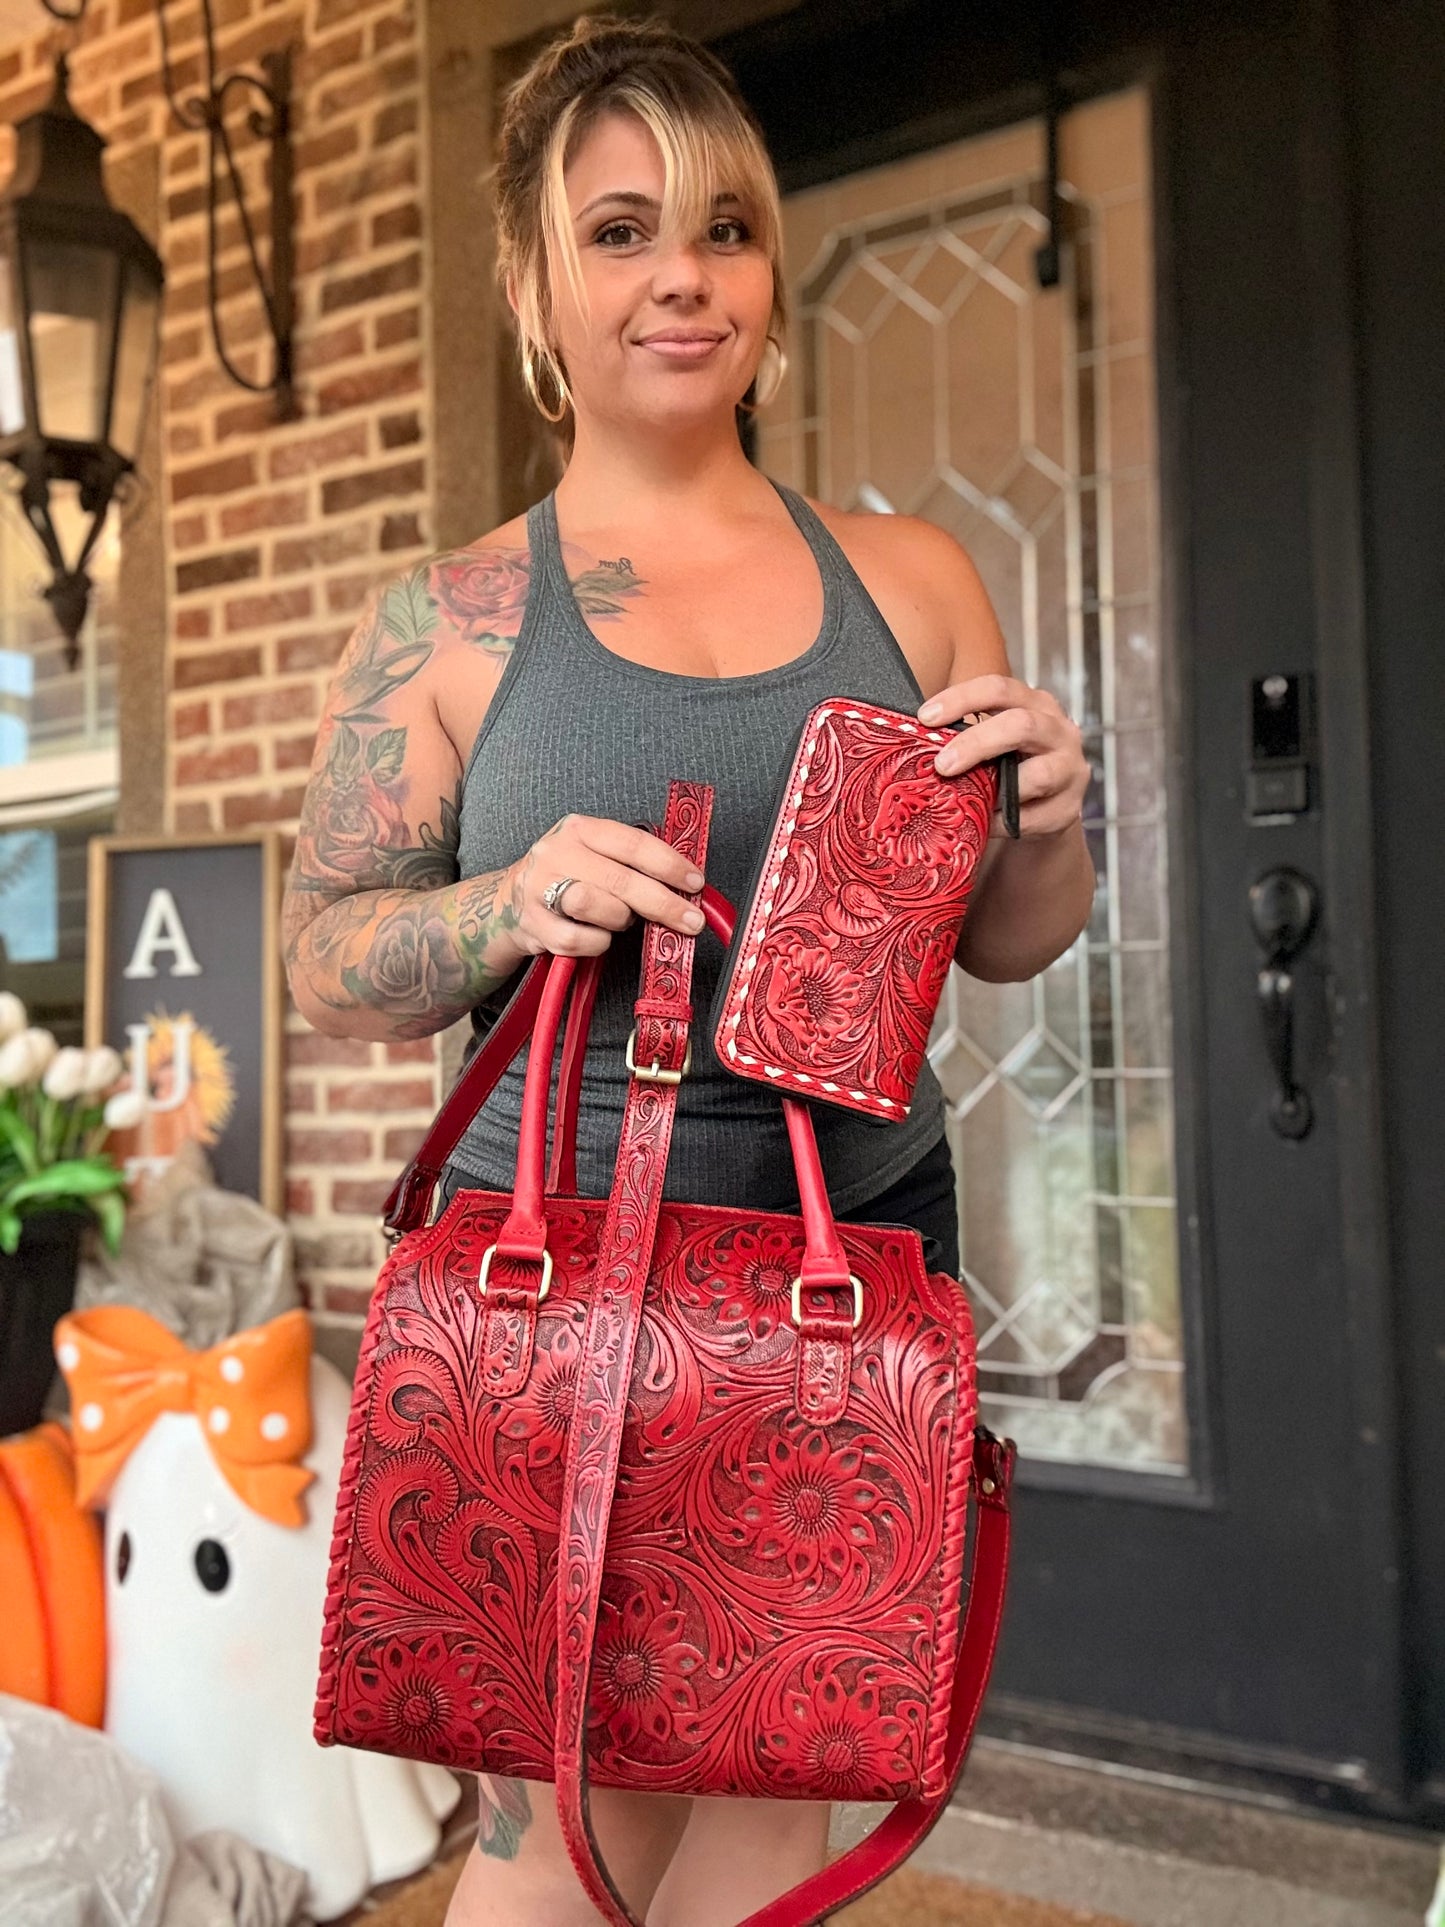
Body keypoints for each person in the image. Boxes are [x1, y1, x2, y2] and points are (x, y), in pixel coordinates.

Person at [281, 15, 1092, 1926]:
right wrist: (507, 904)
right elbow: (326, 963)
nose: (682, 277)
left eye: (722, 229)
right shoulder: (452, 619)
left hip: (846, 1279)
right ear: (534, 289)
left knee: (766, 1829)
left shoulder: (912, 579)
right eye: (622, 230)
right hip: (546, 1292)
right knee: (553, 1848)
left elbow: (999, 945)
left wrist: (1046, 827)